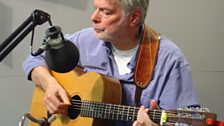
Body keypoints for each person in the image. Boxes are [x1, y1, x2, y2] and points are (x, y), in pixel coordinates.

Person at [23, 0, 199, 126]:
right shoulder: (85, 40)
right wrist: (50, 84)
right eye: (95, 8)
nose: (93, 17)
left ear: (134, 17)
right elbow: (35, 58)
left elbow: (188, 123)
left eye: (105, 12)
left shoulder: (168, 60)